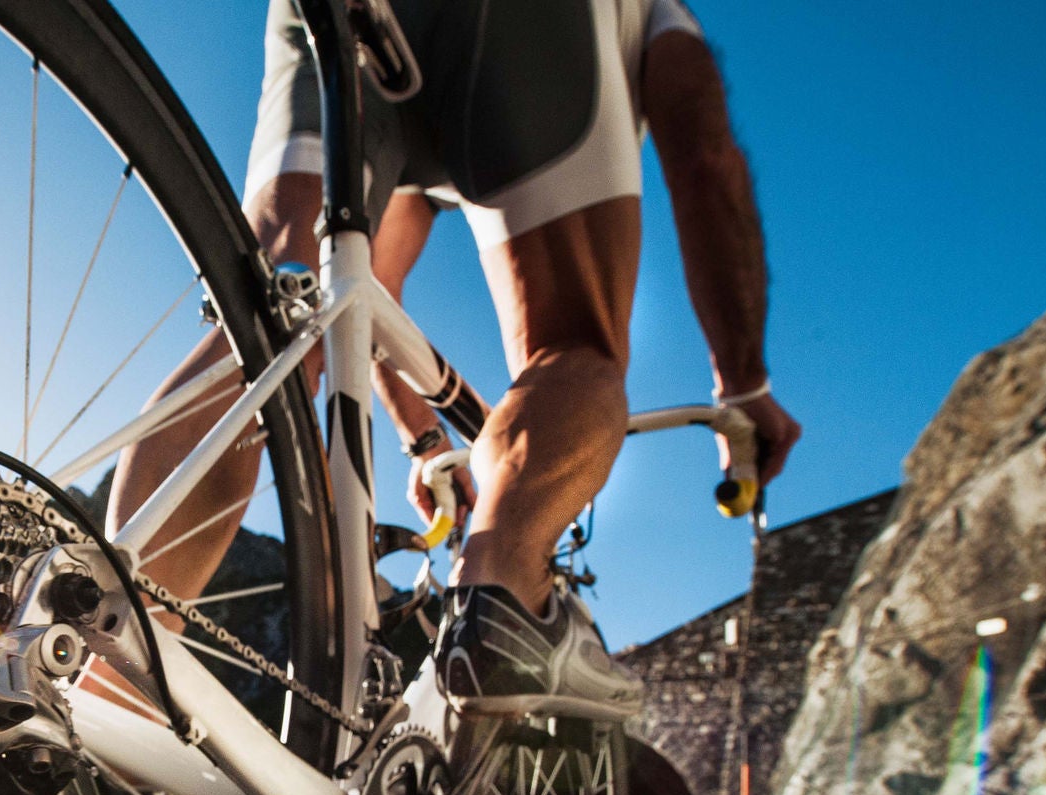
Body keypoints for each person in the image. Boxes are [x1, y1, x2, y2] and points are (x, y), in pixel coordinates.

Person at [107, 0, 800, 716]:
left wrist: (427, 440)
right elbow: (706, 157)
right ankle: (495, 600)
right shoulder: (664, 15)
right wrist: (744, 383)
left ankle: (90, 684)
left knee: (277, 318)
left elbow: (368, 287)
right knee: (571, 347)